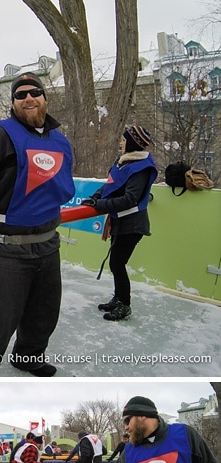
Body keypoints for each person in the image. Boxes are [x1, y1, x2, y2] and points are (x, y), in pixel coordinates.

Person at [0, 72, 75, 377]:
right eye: (20, 95)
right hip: (6, 250)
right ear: (12, 104)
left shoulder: (59, 140)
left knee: (44, 312)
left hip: (48, 244)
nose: (28, 98)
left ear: (45, 98)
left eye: (35, 92)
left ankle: (28, 356)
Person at [81, 125, 158, 321]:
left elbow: (130, 199)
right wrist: (94, 198)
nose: (120, 143)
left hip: (132, 225)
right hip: (120, 222)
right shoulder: (123, 163)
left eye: (124, 140)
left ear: (132, 143)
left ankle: (124, 305)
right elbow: (109, 185)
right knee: (116, 264)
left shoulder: (140, 168)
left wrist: (100, 205)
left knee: (118, 263)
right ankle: (119, 298)